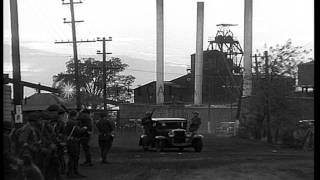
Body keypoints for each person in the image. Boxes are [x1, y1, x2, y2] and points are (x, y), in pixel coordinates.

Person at [64, 110, 86, 178]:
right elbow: (78, 131)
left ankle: (72, 172)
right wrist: (84, 129)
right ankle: (72, 173)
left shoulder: (68, 122)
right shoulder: (72, 123)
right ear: (75, 115)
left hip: (70, 141)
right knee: (74, 157)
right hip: (73, 142)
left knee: (72, 157)